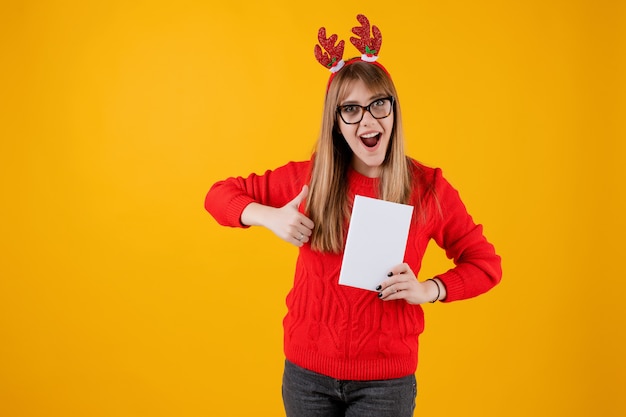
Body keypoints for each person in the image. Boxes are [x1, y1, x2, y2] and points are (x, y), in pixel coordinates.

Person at [205, 14, 502, 417]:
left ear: (394, 110)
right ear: (336, 123)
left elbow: (485, 264)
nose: (368, 119)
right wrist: (268, 216)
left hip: (386, 383)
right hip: (306, 375)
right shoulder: (308, 179)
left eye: (378, 104)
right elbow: (218, 195)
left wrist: (429, 289)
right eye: (351, 109)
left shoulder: (428, 188)